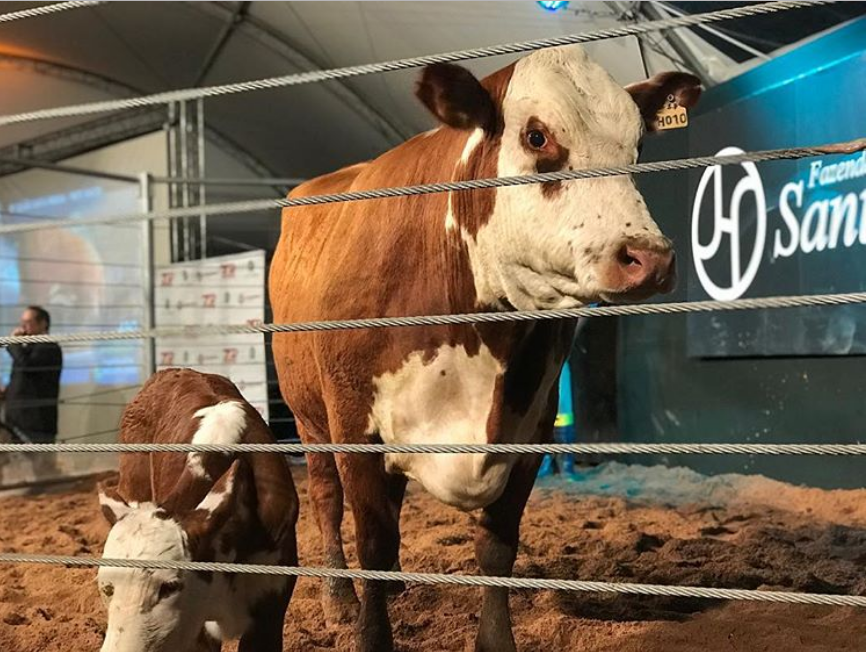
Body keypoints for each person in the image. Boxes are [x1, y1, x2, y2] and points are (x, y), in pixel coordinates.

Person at [0, 306, 62, 443]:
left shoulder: (49, 347)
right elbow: (25, 379)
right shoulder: (27, 348)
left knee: (39, 463)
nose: (23, 326)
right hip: (15, 422)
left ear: (43, 323)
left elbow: (27, 365)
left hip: (36, 424)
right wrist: (7, 392)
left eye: (28, 322)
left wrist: (13, 343)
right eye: (22, 322)